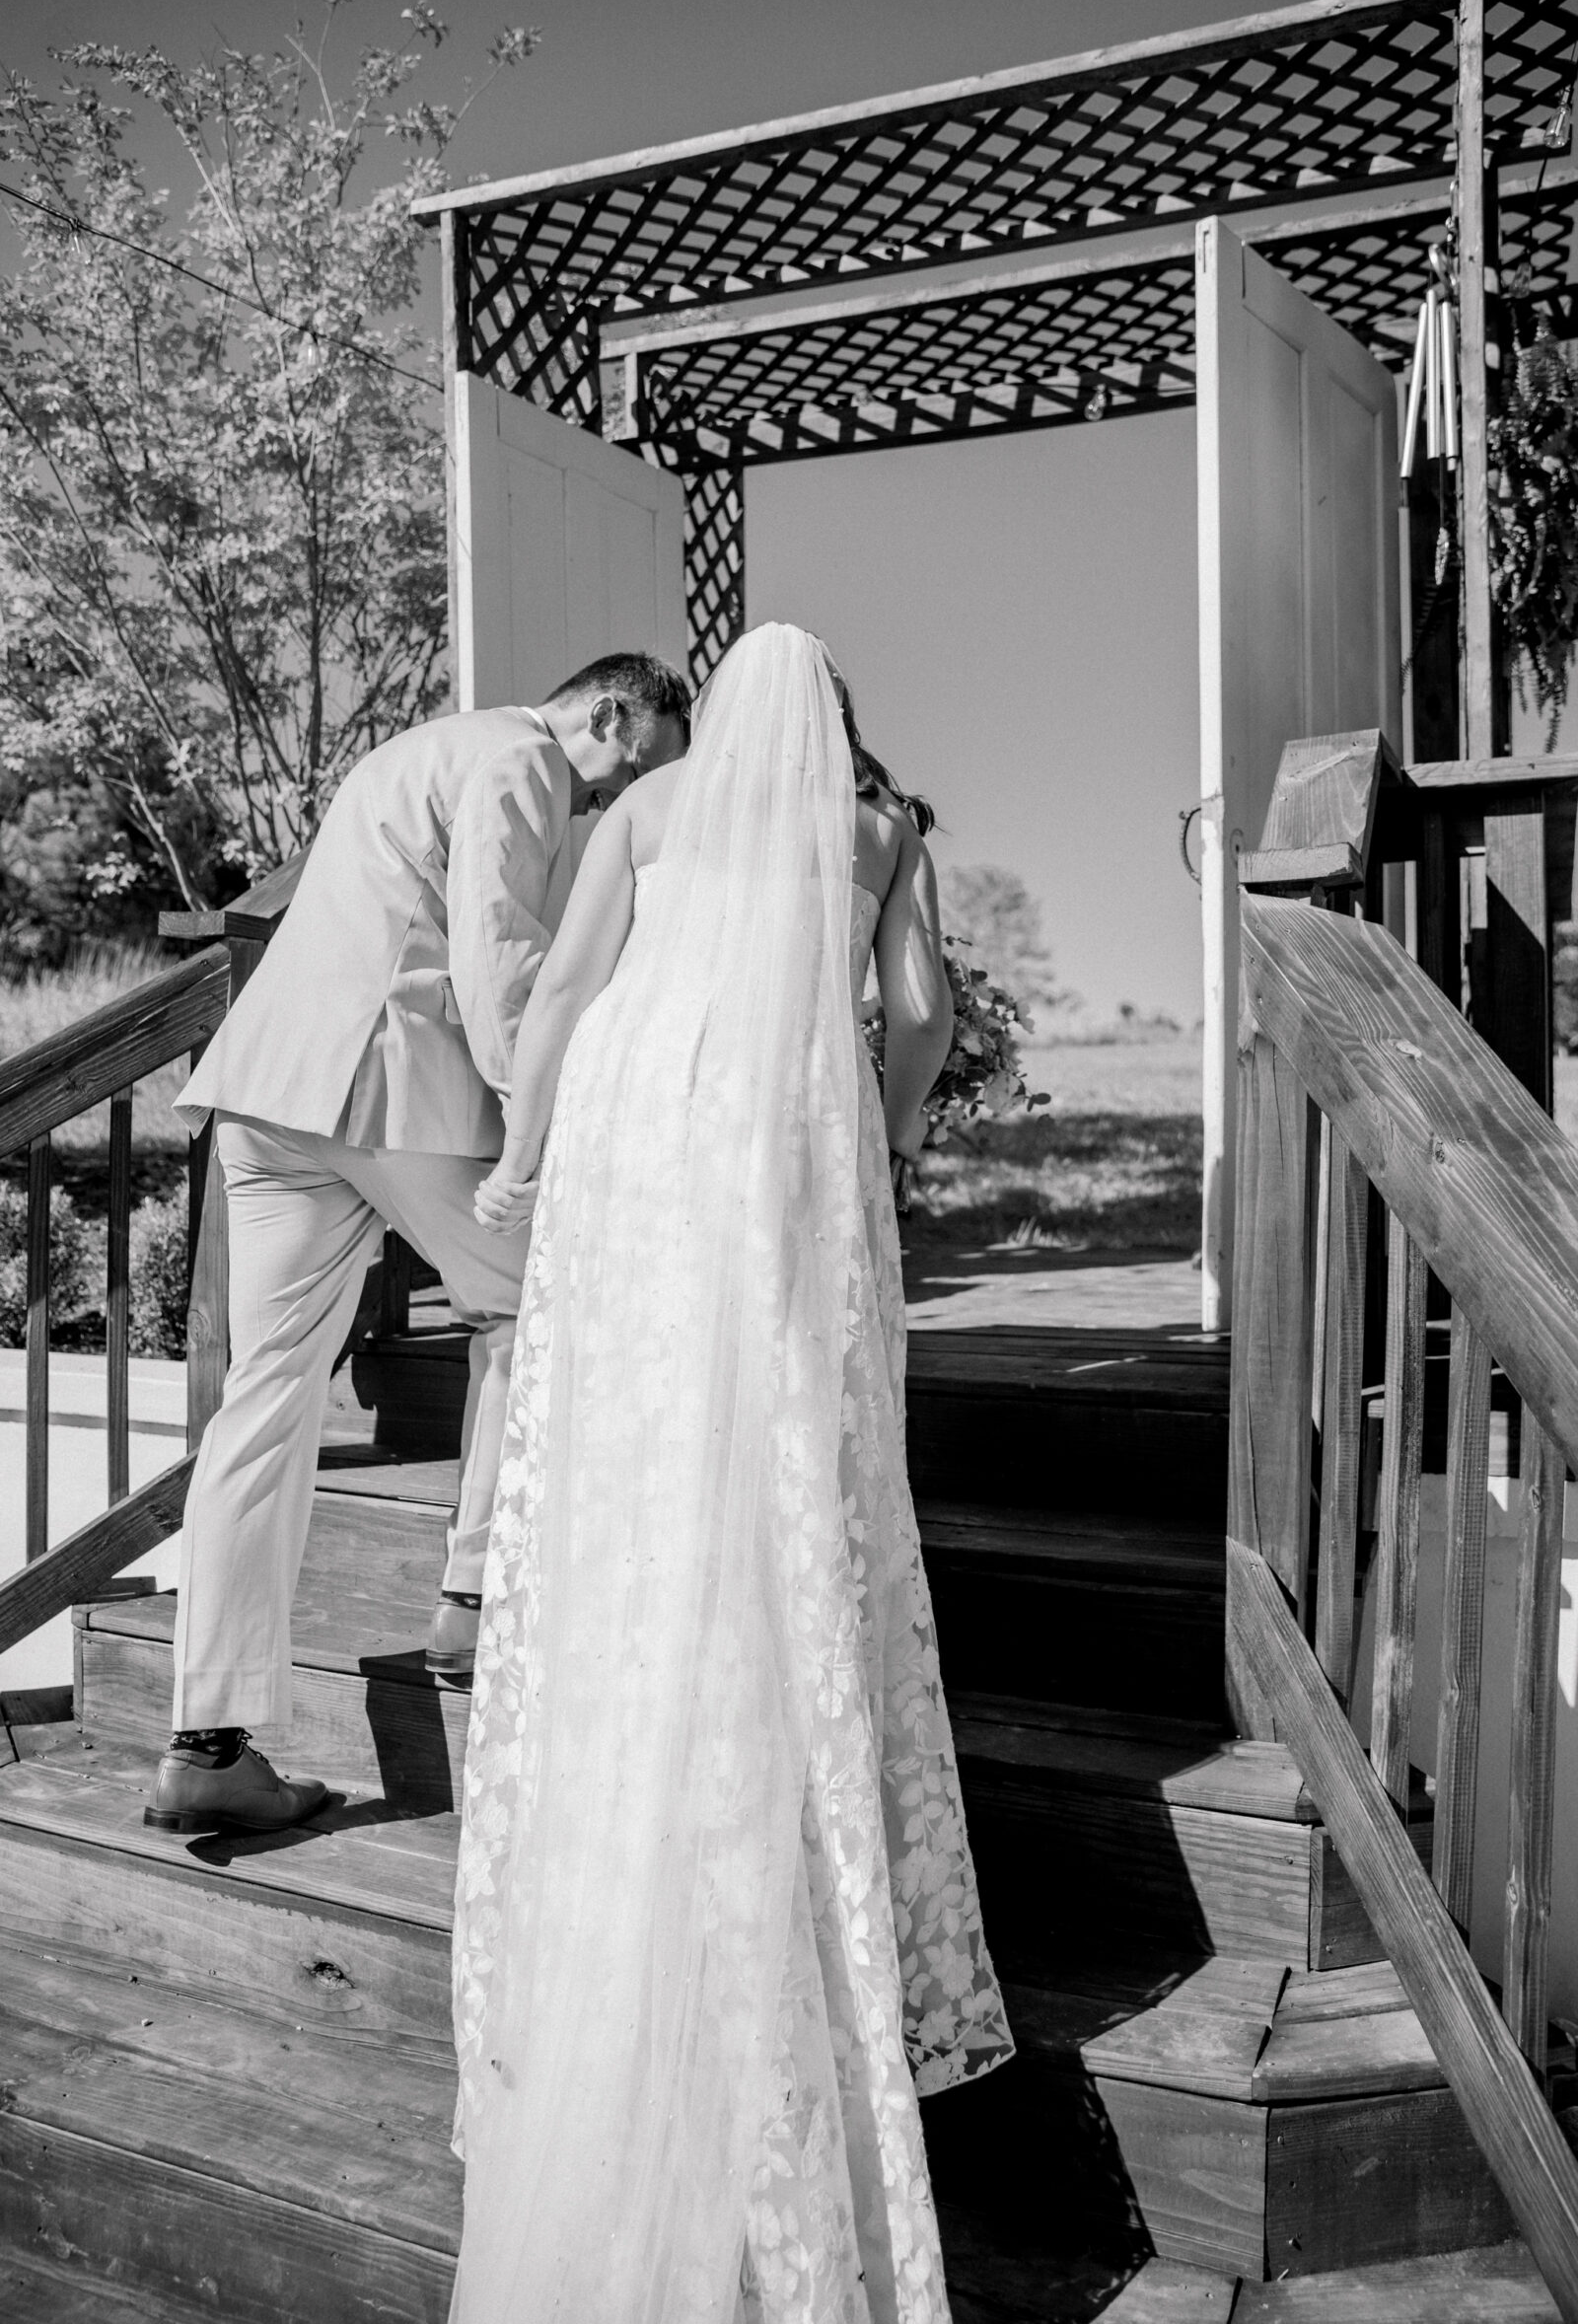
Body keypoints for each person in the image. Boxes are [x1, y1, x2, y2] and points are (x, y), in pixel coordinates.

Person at [450, 623, 1013, 2323]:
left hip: (636, 1130)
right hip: (772, 1138)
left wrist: (521, 1163)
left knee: (633, 1468)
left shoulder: (648, 810)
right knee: (780, 1466)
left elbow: (561, 996)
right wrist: (889, 1131)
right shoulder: (883, 828)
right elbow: (920, 1018)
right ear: (834, 724)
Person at [143, 653, 690, 1838]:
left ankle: (207, 1742)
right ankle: (473, 1601)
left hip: (269, 1094)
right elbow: (500, 967)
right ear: (609, 712)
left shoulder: (415, 750)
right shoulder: (522, 758)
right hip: (385, 1093)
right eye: (622, 774)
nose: (605, 805)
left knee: (263, 1401)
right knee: (534, 1300)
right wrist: (548, 1121)